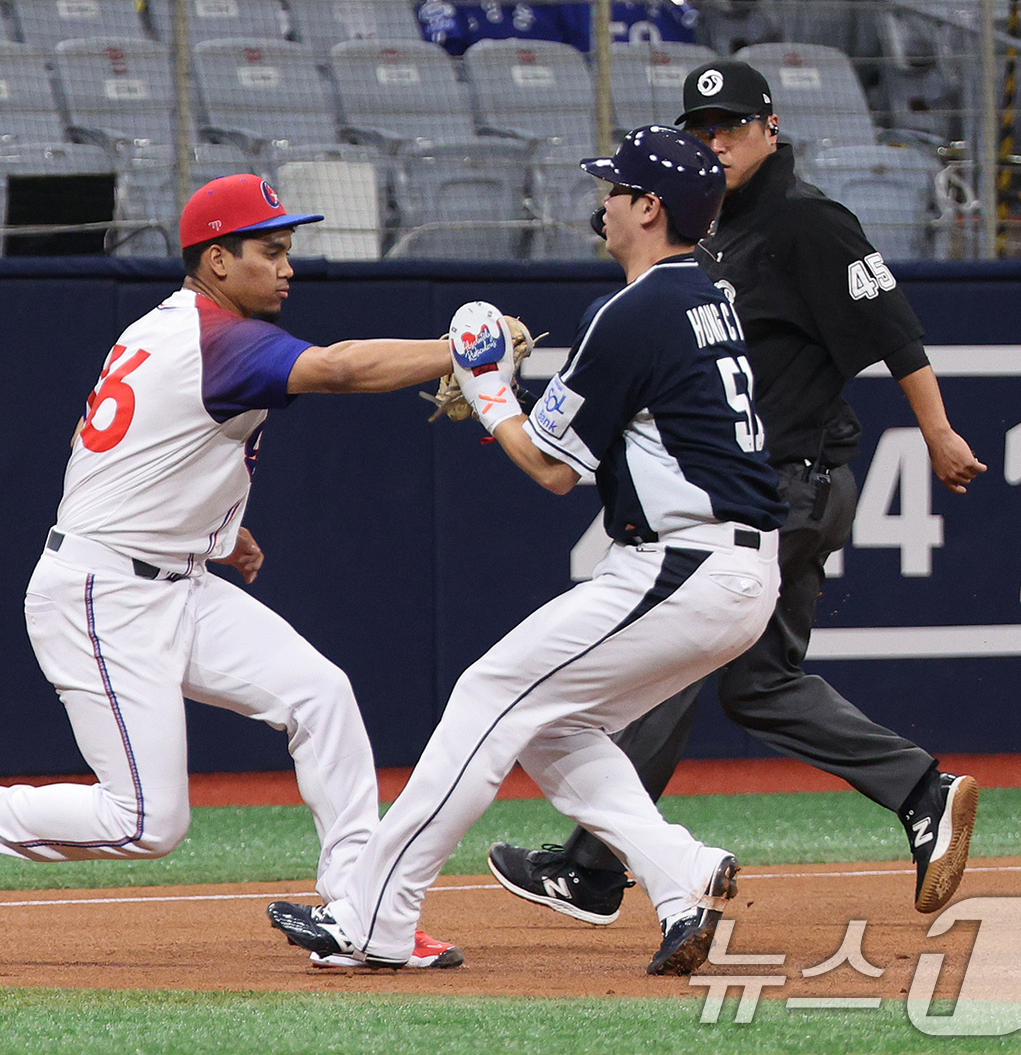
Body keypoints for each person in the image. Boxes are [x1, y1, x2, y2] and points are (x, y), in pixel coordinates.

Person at [0, 173, 464, 969]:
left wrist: (216, 527)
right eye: (271, 250)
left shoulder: (171, 327)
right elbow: (337, 370)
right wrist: (459, 352)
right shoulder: (220, 338)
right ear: (218, 260)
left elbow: (125, 450)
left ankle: (362, 910)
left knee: (319, 693)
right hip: (103, 596)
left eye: (288, 249)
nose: (287, 266)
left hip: (174, 578)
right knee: (148, 823)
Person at [267, 126, 786, 976]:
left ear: (649, 209)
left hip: (686, 561)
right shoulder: (704, 292)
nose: (604, 202)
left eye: (617, 189)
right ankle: (679, 875)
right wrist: (501, 394)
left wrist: (489, 387)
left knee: (490, 692)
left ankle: (372, 914)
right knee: (552, 724)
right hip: (724, 565)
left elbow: (549, 467)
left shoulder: (637, 307)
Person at [488, 59, 988, 928]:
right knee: (757, 684)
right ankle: (920, 789)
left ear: (771, 127)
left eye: (732, 127)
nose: (717, 142)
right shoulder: (705, 227)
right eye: (702, 129)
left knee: (667, 658)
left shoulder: (808, 221)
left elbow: (895, 334)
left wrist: (940, 433)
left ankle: (593, 864)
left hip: (789, 485)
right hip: (773, 489)